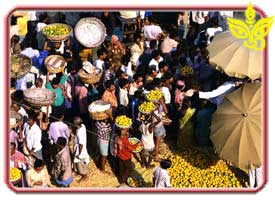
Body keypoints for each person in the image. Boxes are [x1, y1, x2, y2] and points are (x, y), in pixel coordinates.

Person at [72, 117, 90, 182]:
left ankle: (85, 176)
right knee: (77, 164)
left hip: (80, 150)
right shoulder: (83, 126)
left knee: (80, 164)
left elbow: (81, 144)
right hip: (78, 148)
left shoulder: (79, 132)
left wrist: (79, 153)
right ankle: (78, 172)